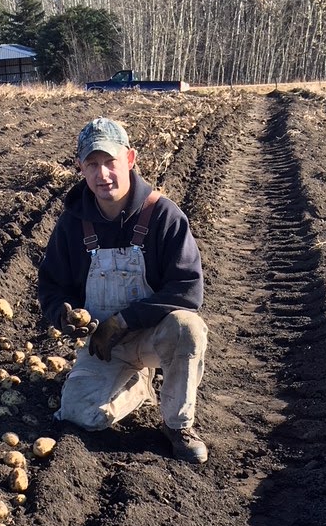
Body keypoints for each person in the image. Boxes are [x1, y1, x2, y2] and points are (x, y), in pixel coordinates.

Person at [37, 116, 209, 464]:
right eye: (92, 165)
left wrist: (125, 320)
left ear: (130, 160)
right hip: (103, 346)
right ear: (80, 169)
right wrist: (65, 315)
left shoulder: (163, 216)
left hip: (152, 338)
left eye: (110, 162)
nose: (103, 174)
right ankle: (136, 385)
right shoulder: (72, 223)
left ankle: (177, 425)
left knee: (189, 329)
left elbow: (187, 291)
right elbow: (51, 286)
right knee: (79, 416)